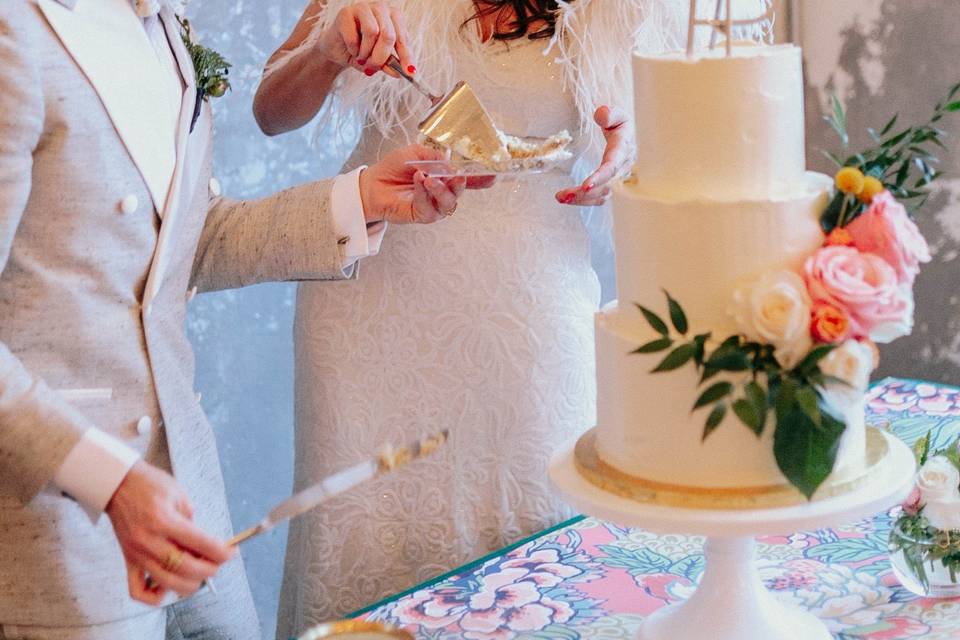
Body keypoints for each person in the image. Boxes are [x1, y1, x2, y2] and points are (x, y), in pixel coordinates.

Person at [0, 1, 480, 638]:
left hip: (187, 485)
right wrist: (109, 481)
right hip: (55, 515)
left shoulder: (164, 28)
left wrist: (363, 198)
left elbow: (188, 244)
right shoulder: (15, 32)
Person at [252, 0, 703, 633]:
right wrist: (328, 48)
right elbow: (271, 112)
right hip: (374, 312)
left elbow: (658, 132)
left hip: (534, 302)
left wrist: (629, 146)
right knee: (370, 540)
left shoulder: (616, 8)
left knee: (545, 539)